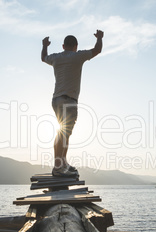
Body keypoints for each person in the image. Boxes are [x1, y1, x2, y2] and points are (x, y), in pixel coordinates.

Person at [41, 30, 104, 177]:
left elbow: (43, 57)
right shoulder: (78, 56)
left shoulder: (56, 58)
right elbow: (97, 50)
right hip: (69, 100)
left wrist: (44, 45)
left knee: (64, 133)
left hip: (56, 100)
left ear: (63, 46)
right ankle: (58, 166)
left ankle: (63, 163)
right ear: (76, 46)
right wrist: (100, 38)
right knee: (64, 133)